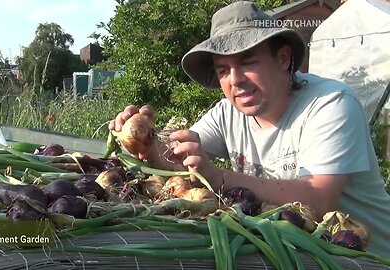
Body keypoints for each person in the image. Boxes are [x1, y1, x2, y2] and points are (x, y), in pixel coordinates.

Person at [109, 1, 390, 257]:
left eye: (248, 62)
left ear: (282, 59)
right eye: (222, 70)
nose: (235, 80)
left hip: (367, 260)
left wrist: (217, 176)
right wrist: (143, 144)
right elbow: (176, 162)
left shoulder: (330, 103)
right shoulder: (227, 113)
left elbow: (318, 199)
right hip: (297, 255)